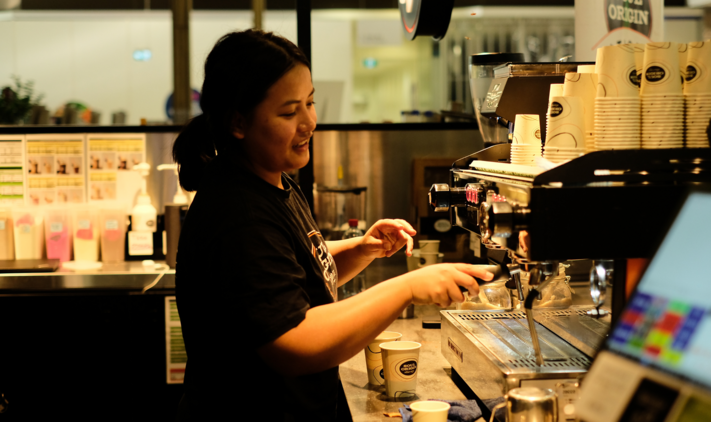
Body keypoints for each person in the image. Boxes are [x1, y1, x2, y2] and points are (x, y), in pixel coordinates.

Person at [172, 29, 493, 421]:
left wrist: (361, 248)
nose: (309, 122)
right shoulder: (238, 215)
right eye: (289, 112)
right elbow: (296, 340)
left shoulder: (272, 179)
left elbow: (290, 277)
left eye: (310, 102)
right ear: (238, 121)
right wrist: (406, 287)